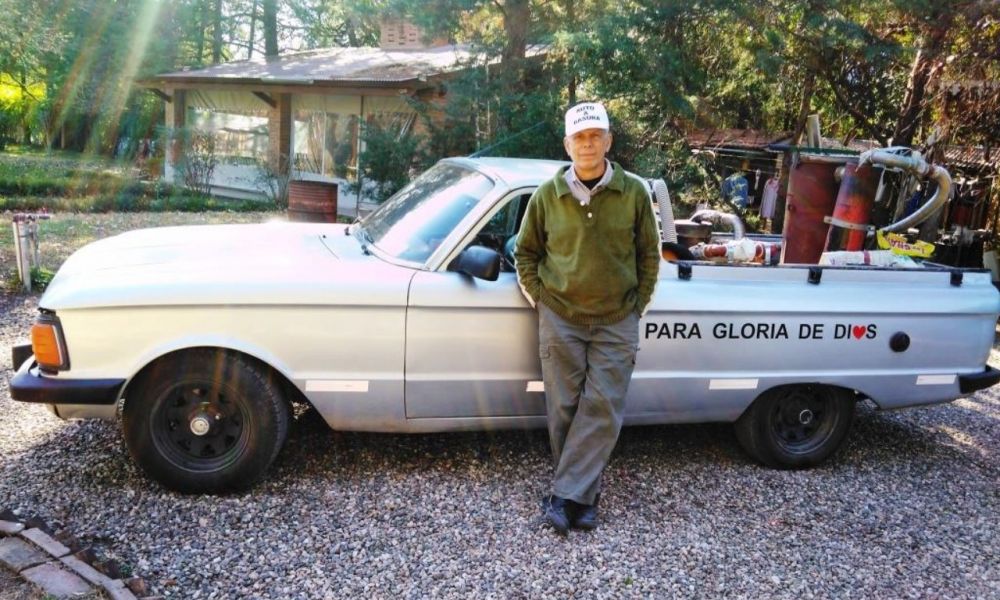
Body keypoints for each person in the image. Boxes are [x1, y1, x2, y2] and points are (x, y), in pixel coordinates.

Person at [514, 102, 661, 533]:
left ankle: (564, 497)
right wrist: (541, 299)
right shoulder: (547, 195)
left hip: (617, 318)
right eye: (580, 137)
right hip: (561, 316)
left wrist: (638, 305)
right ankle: (584, 499)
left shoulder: (633, 192)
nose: (588, 143)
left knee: (603, 407)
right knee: (563, 407)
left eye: (596, 135)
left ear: (609, 141)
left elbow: (649, 255)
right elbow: (526, 252)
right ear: (567, 144)